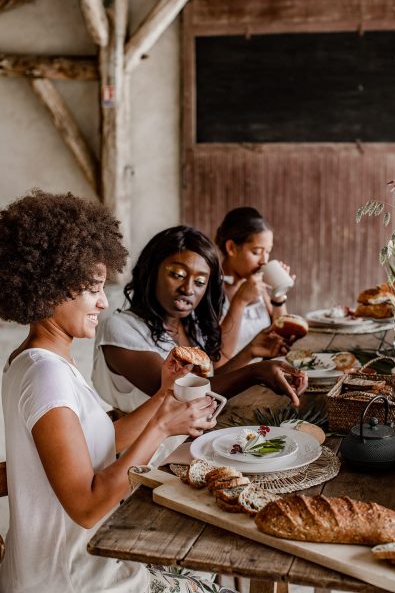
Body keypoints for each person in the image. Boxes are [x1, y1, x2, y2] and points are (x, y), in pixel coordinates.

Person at [0, 191, 230, 593]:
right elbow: (87, 507)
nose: (104, 302)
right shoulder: (45, 375)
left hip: (80, 569)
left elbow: (94, 444)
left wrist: (164, 395)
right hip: (75, 580)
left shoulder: (39, 360)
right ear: (52, 288)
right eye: (93, 289)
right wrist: (159, 428)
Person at [92, 225, 307, 464]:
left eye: (200, 281)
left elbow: (210, 383)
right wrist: (255, 372)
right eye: (177, 274)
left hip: (193, 444)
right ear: (151, 271)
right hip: (142, 457)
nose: (188, 289)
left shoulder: (190, 324)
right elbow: (185, 393)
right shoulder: (120, 328)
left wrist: (250, 352)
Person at [215, 207, 295, 364]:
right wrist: (240, 301)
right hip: (231, 381)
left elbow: (282, 337)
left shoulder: (256, 284)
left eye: (268, 251)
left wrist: (278, 294)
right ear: (231, 248)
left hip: (265, 374)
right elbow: (218, 360)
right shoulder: (210, 289)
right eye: (257, 252)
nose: (264, 261)